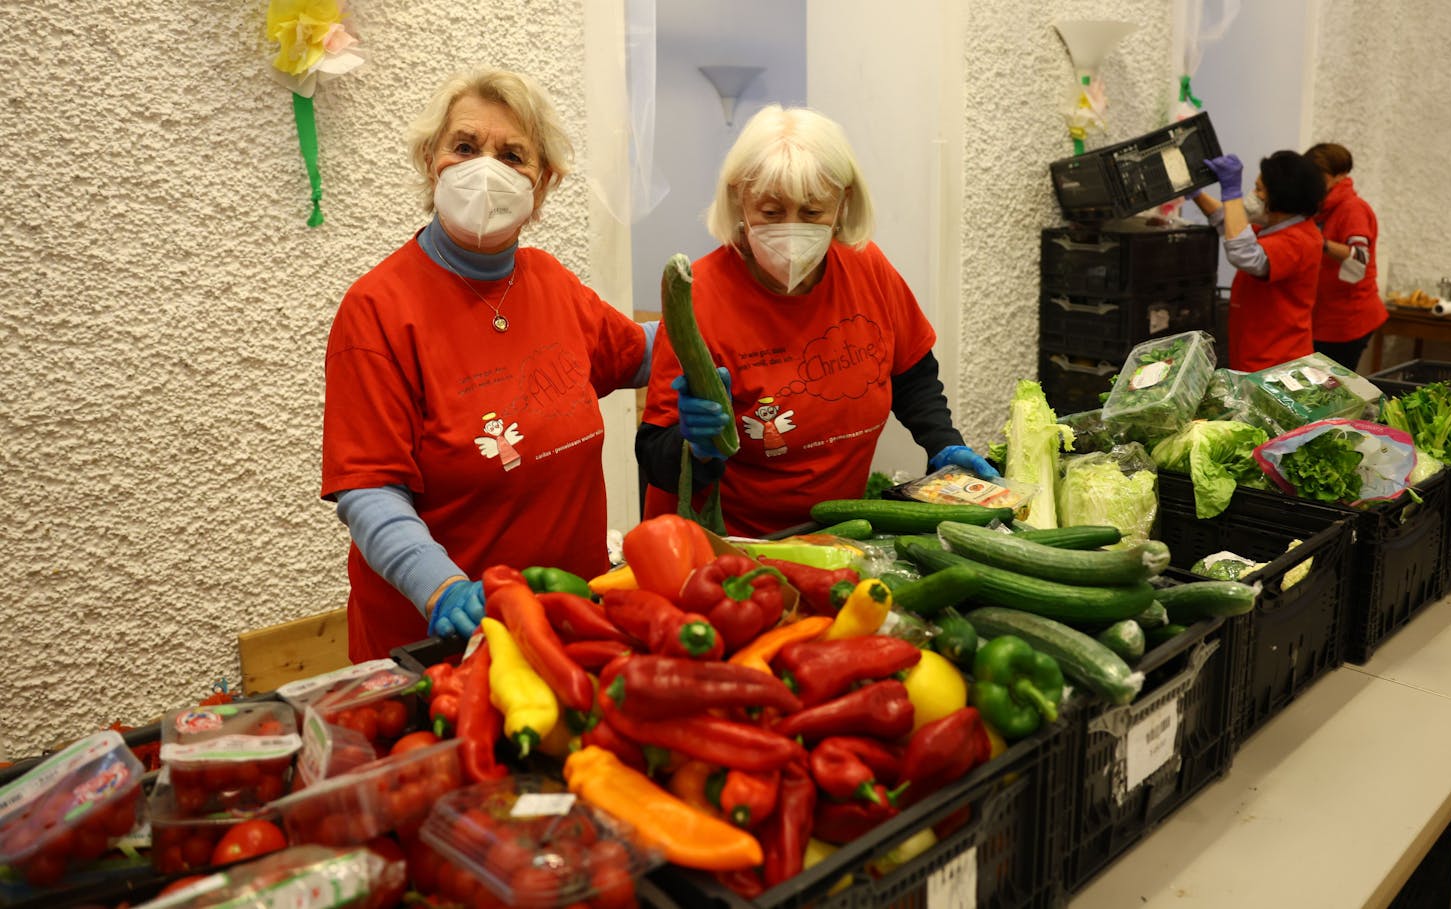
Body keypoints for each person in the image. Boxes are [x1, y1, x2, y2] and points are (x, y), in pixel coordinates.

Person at [321, 67, 655, 661]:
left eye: (513, 155)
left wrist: (724, 334)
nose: (486, 169)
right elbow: (370, 490)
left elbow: (639, 353)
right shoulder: (378, 308)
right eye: (466, 147)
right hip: (440, 639)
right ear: (431, 160)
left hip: (568, 621)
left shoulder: (551, 282)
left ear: (543, 182)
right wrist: (440, 586)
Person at [636, 105, 993, 538]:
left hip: (833, 533)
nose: (791, 229)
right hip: (725, 546)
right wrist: (698, 447)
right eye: (770, 212)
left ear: (842, 203)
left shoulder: (868, 268)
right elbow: (655, 454)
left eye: (811, 212)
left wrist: (943, 442)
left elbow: (911, 372)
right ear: (739, 201)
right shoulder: (699, 294)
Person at [1193, 151, 1326, 372]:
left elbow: (1243, 252)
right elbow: (1229, 225)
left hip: (1277, 361)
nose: (1254, 195)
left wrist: (1231, 193)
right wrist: (1196, 193)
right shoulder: (1275, 228)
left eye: (1259, 189)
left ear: (1281, 196)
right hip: (1255, 349)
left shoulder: (1299, 239)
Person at [1305, 142, 1384, 370]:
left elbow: (1359, 256)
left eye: (1320, 175)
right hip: (1325, 316)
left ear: (1340, 175)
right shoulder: (1321, 208)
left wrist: (1318, 243)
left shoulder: (1352, 208)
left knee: (1333, 392)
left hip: (1347, 319)